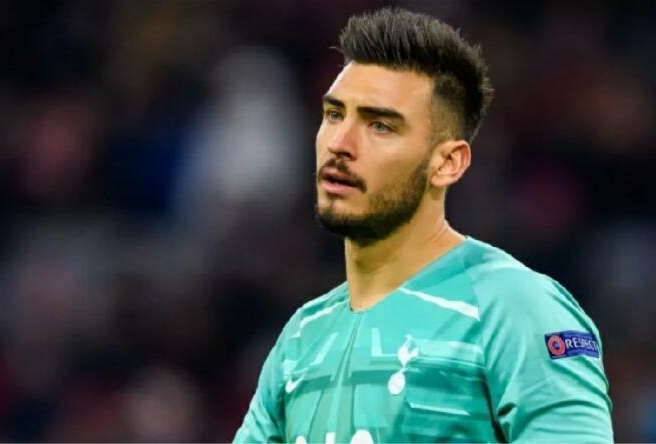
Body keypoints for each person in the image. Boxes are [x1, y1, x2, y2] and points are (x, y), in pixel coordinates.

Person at [233, 7, 612, 443]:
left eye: (380, 125)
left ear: (448, 162)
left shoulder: (514, 308)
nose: (339, 143)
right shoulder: (302, 337)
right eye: (335, 115)